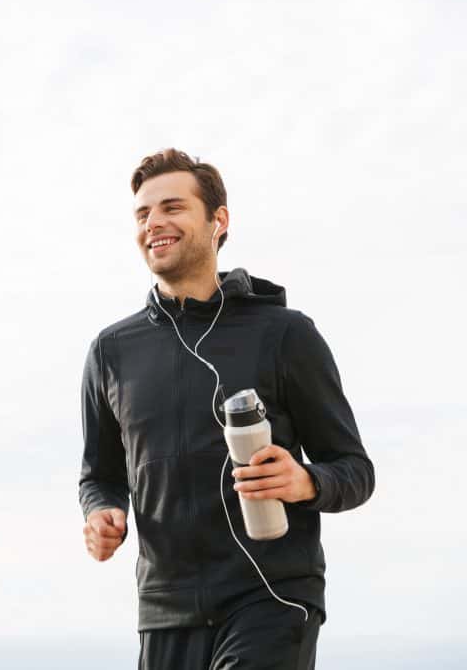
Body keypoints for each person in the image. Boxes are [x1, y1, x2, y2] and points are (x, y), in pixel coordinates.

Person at [78, 148, 374, 669]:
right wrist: (103, 512)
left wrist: (304, 482)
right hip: (166, 610)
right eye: (143, 214)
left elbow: (355, 470)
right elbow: (99, 474)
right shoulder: (111, 351)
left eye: (173, 207)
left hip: (271, 597)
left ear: (219, 221)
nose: (155, 223)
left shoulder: (285, 334)